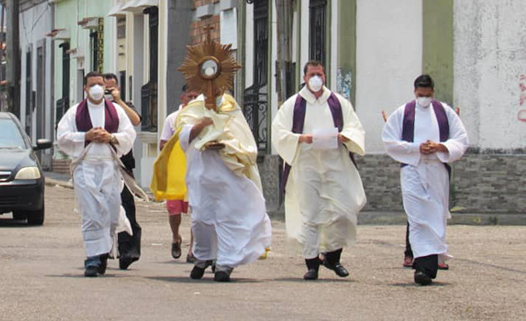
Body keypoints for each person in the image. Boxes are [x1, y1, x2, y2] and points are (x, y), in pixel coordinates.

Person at [271, 60, 366, 280]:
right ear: (304, 78)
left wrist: (345, 136)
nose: (317, 79)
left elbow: (354, 126)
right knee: (310, 215)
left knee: (341, 212)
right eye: (312, 74)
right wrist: (301, 138)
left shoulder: (337, 103)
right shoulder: (294, 104)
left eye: (320, 74)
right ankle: (312, 263)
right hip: (307, 165)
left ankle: (332, 258)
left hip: (335, 164)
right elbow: (280, 133)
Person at [174, 92, 272, 282]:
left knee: (228, 217)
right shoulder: (194, 107)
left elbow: (242, 137)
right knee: (201, 218)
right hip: (201, 171)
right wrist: (201, 125)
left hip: (227, 170)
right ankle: (203, 257)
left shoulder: (229, 105)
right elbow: (183, 138)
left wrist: (226, 144)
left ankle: (225, 263)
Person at [382, 74, 468, 286]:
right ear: (415, 92)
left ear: (433, 93)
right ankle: (422, 268)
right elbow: (389, 140)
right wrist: (415, 148)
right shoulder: (403, 113)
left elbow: (461, 139)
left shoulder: (445, 112)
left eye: (428, 95)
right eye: (421, 95)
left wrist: (441, 147)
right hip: (413, 169)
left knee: (435, 215)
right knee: (418, 217)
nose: (424, 99)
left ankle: (428, 266)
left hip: (437, 170)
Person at [56, 72, 137, 277]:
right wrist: (86, 135)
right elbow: (62, 137)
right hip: (86, 166)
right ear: (85, 88)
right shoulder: (75, 112)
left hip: (109, 167)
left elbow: (129, 134)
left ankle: (104, 252)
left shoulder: (116, 111)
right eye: (92, 85)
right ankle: (92, 258)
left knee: (110, 211)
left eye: (100, 84)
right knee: (92, 212)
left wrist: (111, 136)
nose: (97, 88)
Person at [102, 73, 142, 270]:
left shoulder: (124, 106)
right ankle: (104, 250)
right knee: (102, 210)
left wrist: (118, 101)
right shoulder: (93, 109)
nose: (108, 92)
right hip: (100, 165)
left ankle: (129, 251)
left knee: (126, 207)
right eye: (104, 88)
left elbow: (136, 120)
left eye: (111, 88)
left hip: (123, 166)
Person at [157, 85, 199, 262]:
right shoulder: (173, 119)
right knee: (174, 210)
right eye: (190, 96)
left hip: (196, 169)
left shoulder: (203, 119)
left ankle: (193, 249)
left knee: (197, 210)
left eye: (197, 96)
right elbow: (162, 144)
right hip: (177, 172)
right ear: (182, 98)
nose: (193, 100)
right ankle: (175, 236)